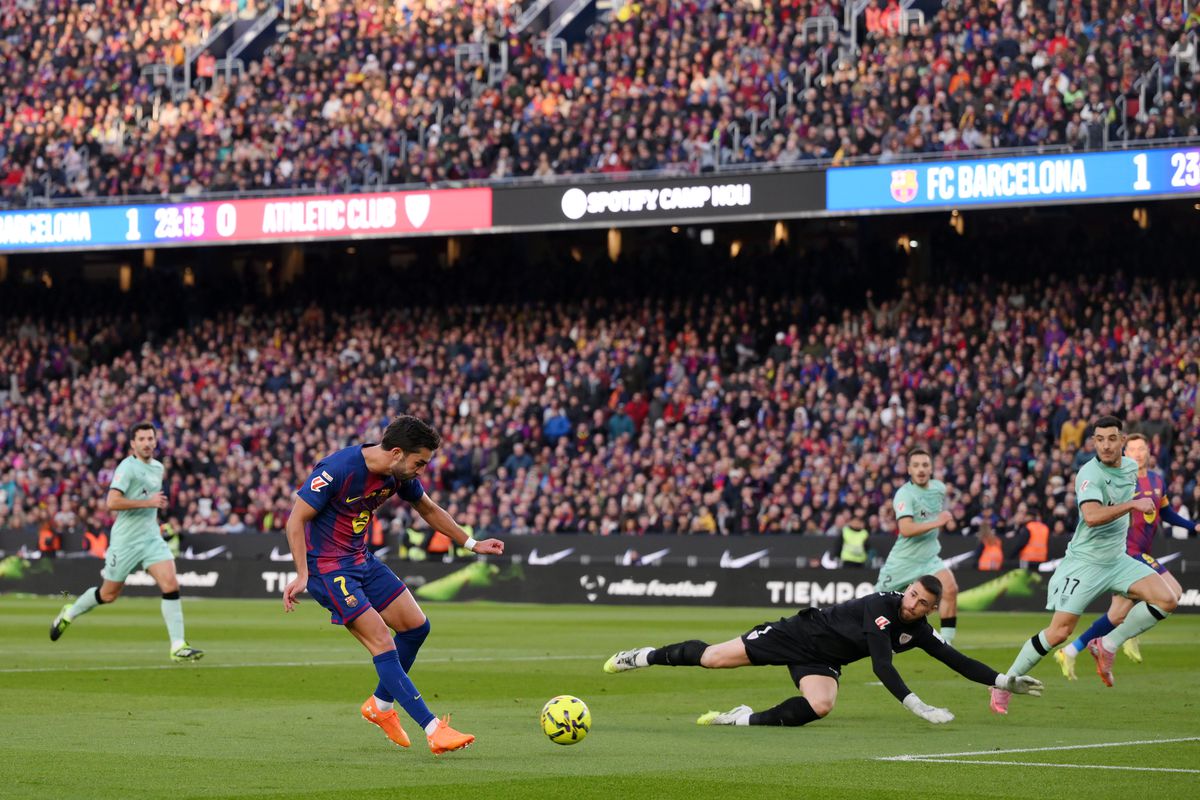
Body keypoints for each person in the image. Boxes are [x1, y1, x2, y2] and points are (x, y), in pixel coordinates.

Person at [281, 415, 504, 755]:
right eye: (420, 463)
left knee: (416, 627)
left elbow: (428, 509)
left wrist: (472, 543)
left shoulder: (398, 475)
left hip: (361, 560)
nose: (421, 470)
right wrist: (301, 573)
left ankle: (380, 706)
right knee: (382, 641)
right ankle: (433, 729)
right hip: (329, 570)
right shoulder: (338, 468)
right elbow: (296, 519)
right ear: (397, 452)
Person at [603, 575, 1042, 727]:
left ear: (930, 608)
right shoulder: (880, 607)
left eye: (920, 603)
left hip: (823, 660)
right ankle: (641, 656)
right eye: (910, 596)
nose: (911, 603)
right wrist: (916, 704)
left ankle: (741, 719)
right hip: (797, 633)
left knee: (821, 704)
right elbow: (881, 661)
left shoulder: (920, 629)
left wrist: (1003, 680)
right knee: (713, 658)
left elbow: (955, 659)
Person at [990, 417, 1179, 714]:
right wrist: (1132, 505)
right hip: (1084, 563)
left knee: (1167, 598)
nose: (1105, 444)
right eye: (1100, 439)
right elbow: (1091, 516)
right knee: (1059, 632)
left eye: (1112, 438)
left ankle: (1107, 645)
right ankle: (1003, 684)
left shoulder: (1129, 467)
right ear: (1093, 441)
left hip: (1117, 560)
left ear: (1122, 441)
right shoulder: (1089, 474)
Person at [49, 422, 203, 662]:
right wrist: (147, 503)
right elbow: (112, 502)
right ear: (133, 443)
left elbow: (148, 499)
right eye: (141, 439)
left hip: (151, 539)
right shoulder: (127, 468)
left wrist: (151, 510)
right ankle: (70, 611)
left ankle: (177, 646)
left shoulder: (158, 467)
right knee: (108, 594)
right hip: (125, 541)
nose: (147, 443)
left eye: (150, 438)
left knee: (171, 584)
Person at [1054, 433, 1196, 678]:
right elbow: (1099, 512)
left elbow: (1167, 513)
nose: (1138, 453)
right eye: (1133, 449)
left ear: (1149, 452)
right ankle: (1120, 639)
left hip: (1142, 551)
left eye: (1142, 448)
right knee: (1173, 592)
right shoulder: (1119, 481)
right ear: (1124, 453)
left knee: (1117, 614)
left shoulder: (1157, 480)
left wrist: (1193, 527)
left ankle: (1071, 650)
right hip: (1126, 553)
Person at [876, 448, 961, 643]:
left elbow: (937, 509)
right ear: (909, 469)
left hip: (929, 557)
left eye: (925, 465)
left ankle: (946, 644)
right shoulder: (904, 494)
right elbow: (905, 529)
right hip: (904, 559)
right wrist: (937, 522)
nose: (921, 469)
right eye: (916, 465)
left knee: (950, 589)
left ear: (931, 468)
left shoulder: (938, 488)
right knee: (877, 602)